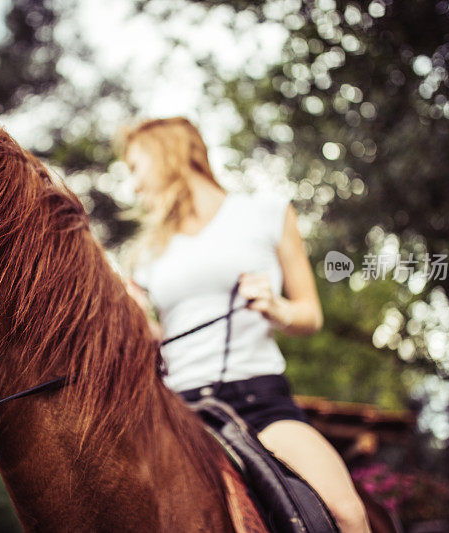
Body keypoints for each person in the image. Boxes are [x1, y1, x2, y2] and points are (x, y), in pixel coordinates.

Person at [119, 117, 370, 532]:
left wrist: (279, 308)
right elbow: (153, 337)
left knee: (347, 514)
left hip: (261, 404)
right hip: (178, 413)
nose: (135, 185)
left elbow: (310, 314)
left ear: (167, 155)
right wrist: (135, 325)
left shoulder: (267, 214)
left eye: (135, 167)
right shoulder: (145, 252)